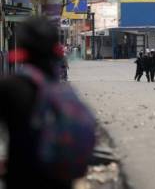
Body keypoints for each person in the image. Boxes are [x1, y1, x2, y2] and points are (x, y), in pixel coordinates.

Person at [0, 17, 96, 189]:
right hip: (61, 181)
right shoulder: (62, 91)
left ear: (21, 50)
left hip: (22, 179)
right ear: (55, 50)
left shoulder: (11, 87)